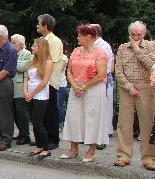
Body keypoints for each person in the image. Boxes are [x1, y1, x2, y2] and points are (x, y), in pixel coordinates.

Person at [61, 24, 109, 163]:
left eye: (80, 36)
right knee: (73, 116)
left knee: (92, 118)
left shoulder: (100, 52)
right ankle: (73, 148)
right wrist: (75, 86)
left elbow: (101, 75)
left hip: (93, 88)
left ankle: (91, 149)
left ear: (88, 37)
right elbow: (69, 70)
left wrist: (84, 87)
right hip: (76, 87)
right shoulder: (76, 51)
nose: (77, 38)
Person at [114, 21, 155, 171]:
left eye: (139, 34)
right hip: (127, 88)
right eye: (133, 34)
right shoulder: (122, 48)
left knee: (147, 124)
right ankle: (124, 156)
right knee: (124, 123)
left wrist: (137, 50)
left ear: (144, 34)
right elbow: (118, 71)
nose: (136, 37)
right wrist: (128, 86)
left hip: (145, 87)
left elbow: (151, 65)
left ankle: (149, 158)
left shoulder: (151, 46)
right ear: (129, 34)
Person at [36, 14, 64, 150]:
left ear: (45, 26)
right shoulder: (43, 40)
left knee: (51, 110)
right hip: (42, 80)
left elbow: (50, 61)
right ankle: (43, 138)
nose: (37, 25)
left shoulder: (54, 41)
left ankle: (53, 139)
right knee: (43, 111)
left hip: (50, 81)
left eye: (38, 23)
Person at [24, 38, 54, 159]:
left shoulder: (48, 62)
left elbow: (44, 81)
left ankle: (46, 148)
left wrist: (33, 93)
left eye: (35, 46)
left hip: (40, 95)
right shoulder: (32, 61)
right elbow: (27, 78)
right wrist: (26, 91)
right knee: (33, 121)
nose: (32, 48)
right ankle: (39, 145)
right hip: (30, 94)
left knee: (38, 122)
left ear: (41, 47)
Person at [91, 23, 115, 143]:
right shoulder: (93, 45)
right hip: (94, 80)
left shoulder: (103, 46)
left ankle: (105, 132)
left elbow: (107, 67)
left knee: (105, 106)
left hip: (102, 79)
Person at [10, 34, 32, 145]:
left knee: (21, 111)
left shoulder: (27, 54)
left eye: (13, 42)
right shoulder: (14, 53)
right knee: (14, 111)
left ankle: (25, 135)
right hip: (11, 85)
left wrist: (12, 59)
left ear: (20, 44)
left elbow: (21, 68)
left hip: (20, 85)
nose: (11, 44)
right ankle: (21, 132)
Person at [57, 41, 70, 130]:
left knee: (60, 105)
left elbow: (59, 70)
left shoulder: (64, 57)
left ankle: (61, 123)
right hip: (53, 84)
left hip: (60, 85)